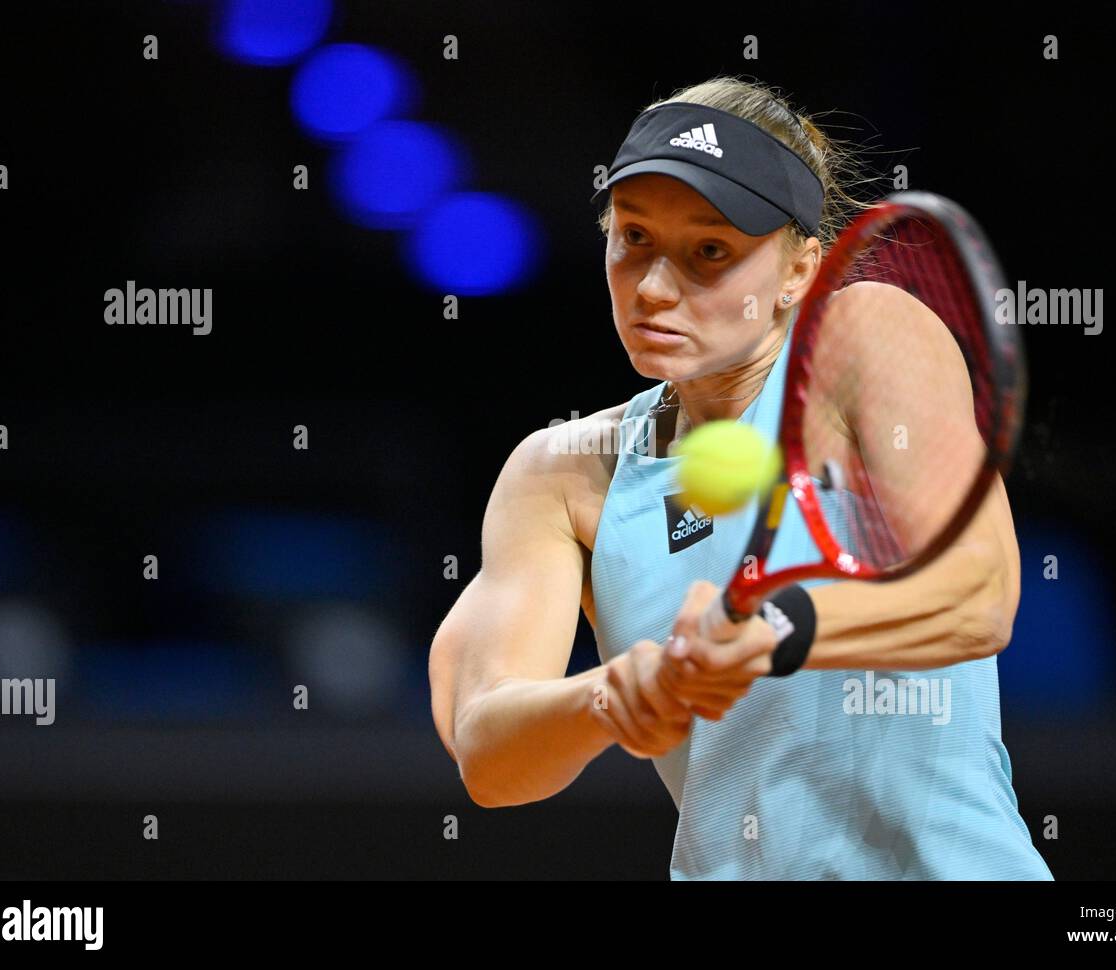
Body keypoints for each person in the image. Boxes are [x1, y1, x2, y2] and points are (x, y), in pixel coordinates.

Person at [429, 76, 1053, 880]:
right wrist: (613, 694)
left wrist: (770, 633)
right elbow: (486, 753)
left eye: (710, 252)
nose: (654, 288)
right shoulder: (561, 473)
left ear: (799, 271)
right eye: (634, 238)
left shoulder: (864, 336)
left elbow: (978, 596)